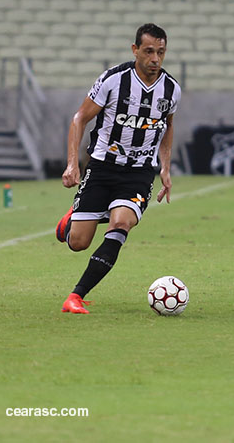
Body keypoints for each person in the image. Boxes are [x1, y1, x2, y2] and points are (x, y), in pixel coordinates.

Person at [55, 23, 181, 314]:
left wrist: (165, 167)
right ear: (135, 50)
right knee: (78, 243)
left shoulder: (171, 88)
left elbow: (168, 126)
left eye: (161, 52)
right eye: (149, 51)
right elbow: (79, 119)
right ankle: (73, 219)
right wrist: (73, 163)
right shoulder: (113, 80)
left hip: (138, 173)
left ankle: (76, 295)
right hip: (102, 168)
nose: (155, 59)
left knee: (121, 223)